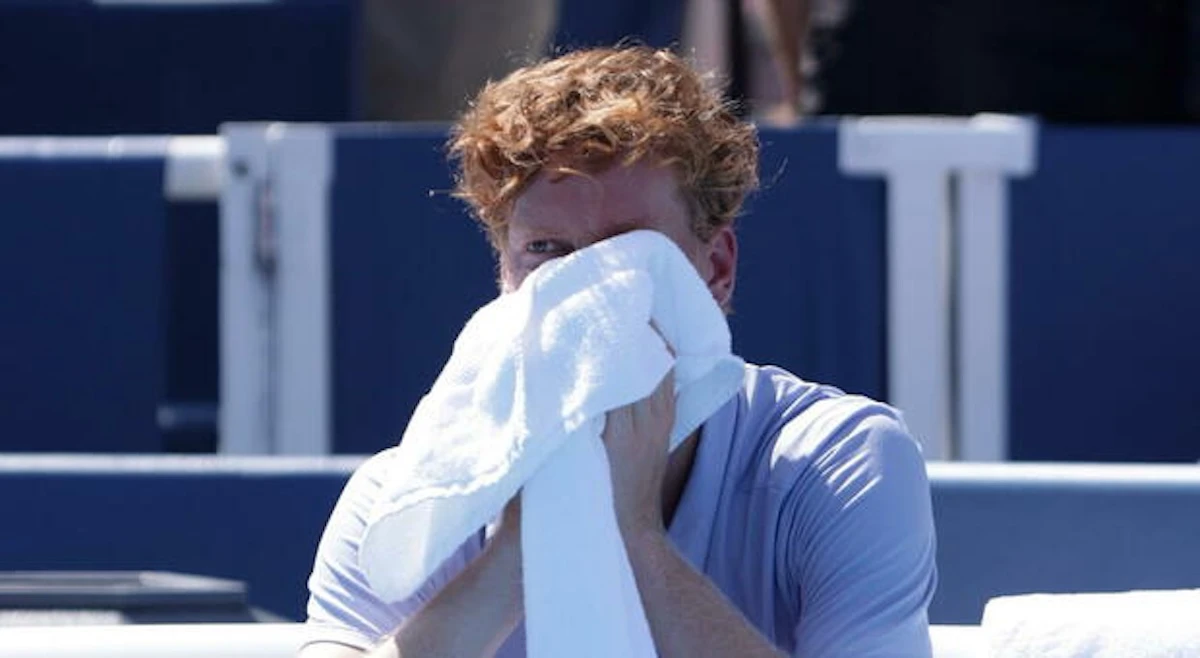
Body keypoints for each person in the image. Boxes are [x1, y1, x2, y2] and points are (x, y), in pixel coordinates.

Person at [300, 46, 937, 658]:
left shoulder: (842, 461)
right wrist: (521, 553)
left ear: (714, 269)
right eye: (548, 252)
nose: (588, 295)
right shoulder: (407, 499)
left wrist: (633, 535)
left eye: (629, 250)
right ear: (505, 275)